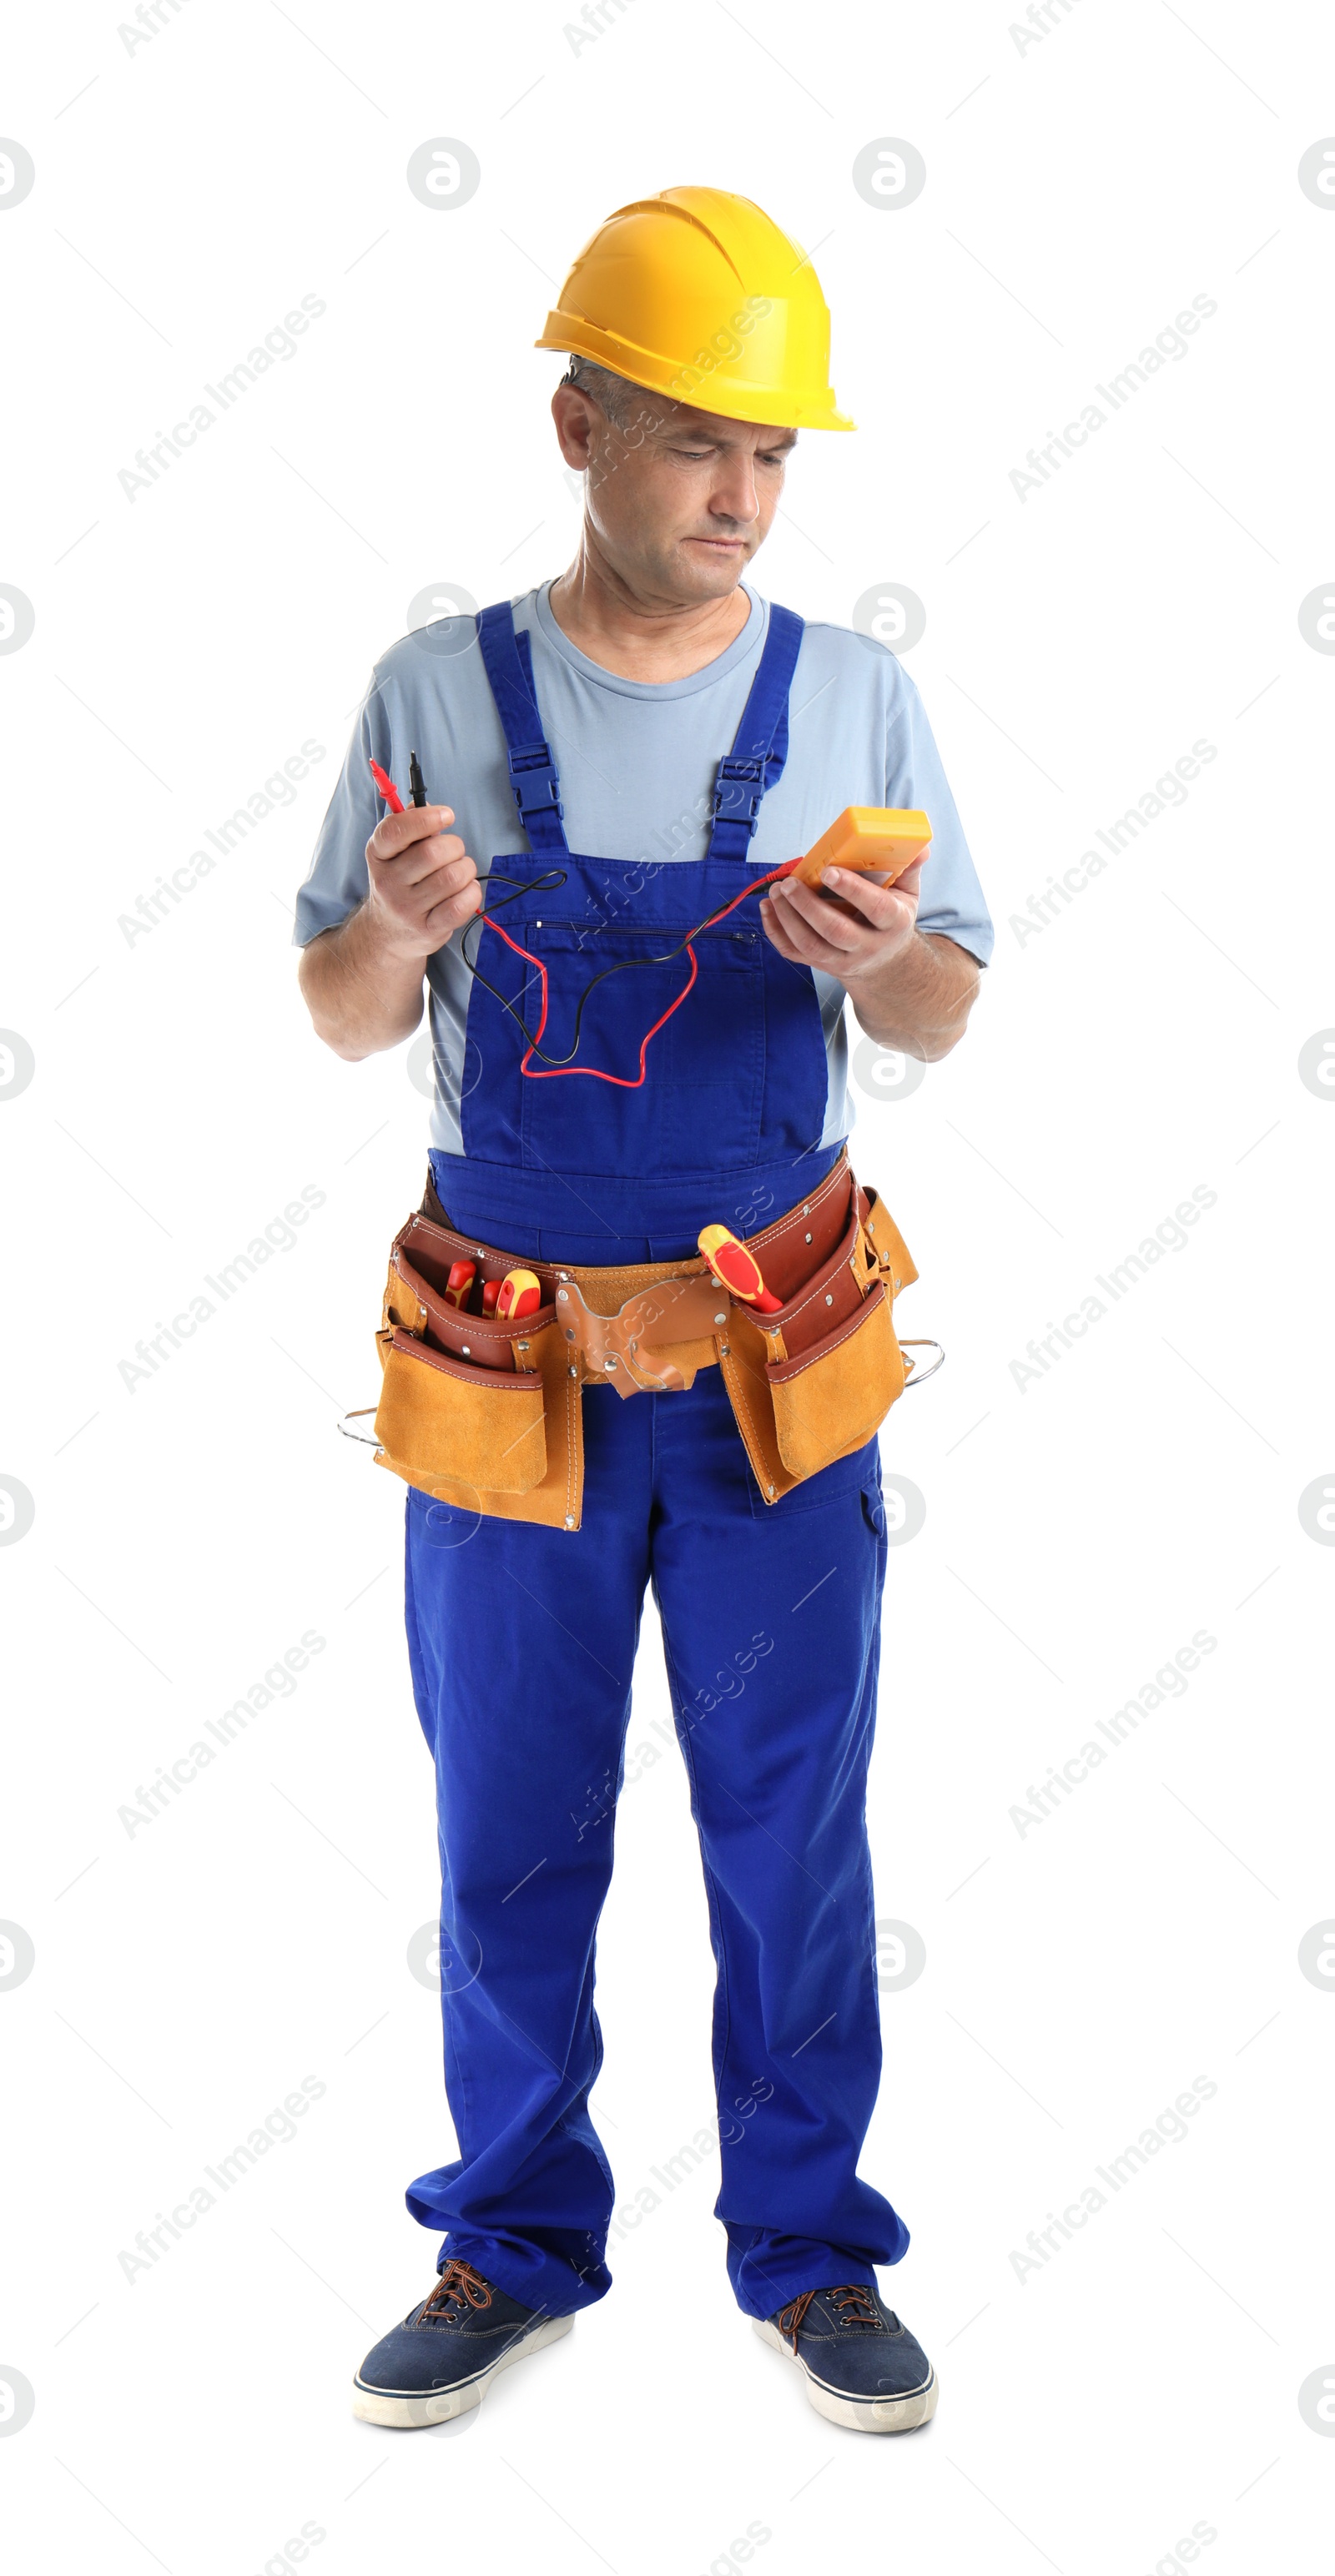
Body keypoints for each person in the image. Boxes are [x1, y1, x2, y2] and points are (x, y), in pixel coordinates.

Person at [295, 187, 993, 2436]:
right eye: (698, 441)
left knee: (793, 1825)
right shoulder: (435, 694)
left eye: (774, 456)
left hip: (777, 1372)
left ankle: (810, 2258)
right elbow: (335, 1011)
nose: (740, 496)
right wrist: (401, 933)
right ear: (578, 420)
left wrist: (870, 956)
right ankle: (508, 2240)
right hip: (508, 1369)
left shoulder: (852, 693)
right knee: (507, 1818)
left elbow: (953, 1012)